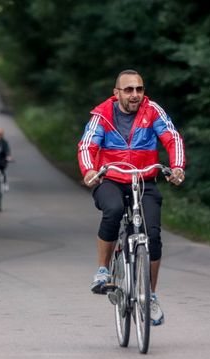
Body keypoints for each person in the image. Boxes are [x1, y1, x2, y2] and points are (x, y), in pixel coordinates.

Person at [78, 69, 186, 326]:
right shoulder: (102, 115)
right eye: (128, 90)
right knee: (114, 210)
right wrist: (89, 170)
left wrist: (177, 167)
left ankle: (150, 296)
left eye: (139, 89)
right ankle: (103, 271)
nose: (135, 94)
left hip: (144, 179)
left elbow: (172, 138)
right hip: (111, 179)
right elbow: (87, 145)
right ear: (116, 93)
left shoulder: (153, 111)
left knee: (154, 236)